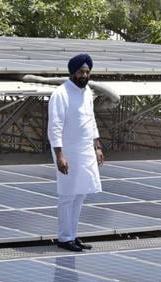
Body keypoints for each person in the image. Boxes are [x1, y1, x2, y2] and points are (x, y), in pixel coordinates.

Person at [47, 53, 105, 252]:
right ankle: (64, 238)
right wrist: (59, 155)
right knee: (67, 196)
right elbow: (54, 127)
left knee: (80, 194)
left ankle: (73, 235)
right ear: (73, 73)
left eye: (87, 72)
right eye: (81, 72)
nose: (85, 75)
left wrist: (97, 147)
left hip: (86, 151)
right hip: (68, 152)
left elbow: (91, 120)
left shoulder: (87, 92)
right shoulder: (60, 94)